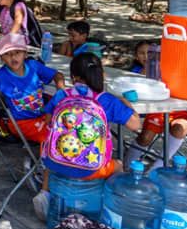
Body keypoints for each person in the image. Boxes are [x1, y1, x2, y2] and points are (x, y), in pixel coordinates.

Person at [33, 53, 141, 220]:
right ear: (101, 75)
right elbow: (136, 125)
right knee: (119, 165)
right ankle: (112, 206)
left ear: (73, 76)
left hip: (57, 163)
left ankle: (45, 193)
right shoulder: (107, 100)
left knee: (53, 150)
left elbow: (48, 122)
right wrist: (127, 104)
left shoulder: (62, 95)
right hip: (93, 168)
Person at [0, 33, 65, 143]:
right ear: (1, 57)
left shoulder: (33, 65)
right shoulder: (0, 75)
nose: (13, 58)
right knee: (52, 136)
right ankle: (45, 159)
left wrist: (61, 90)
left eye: (17, 53)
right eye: (7, 54)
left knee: (65, 127)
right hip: (20, 123)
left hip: (42, 117)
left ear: (25, 53)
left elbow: (58, 75)